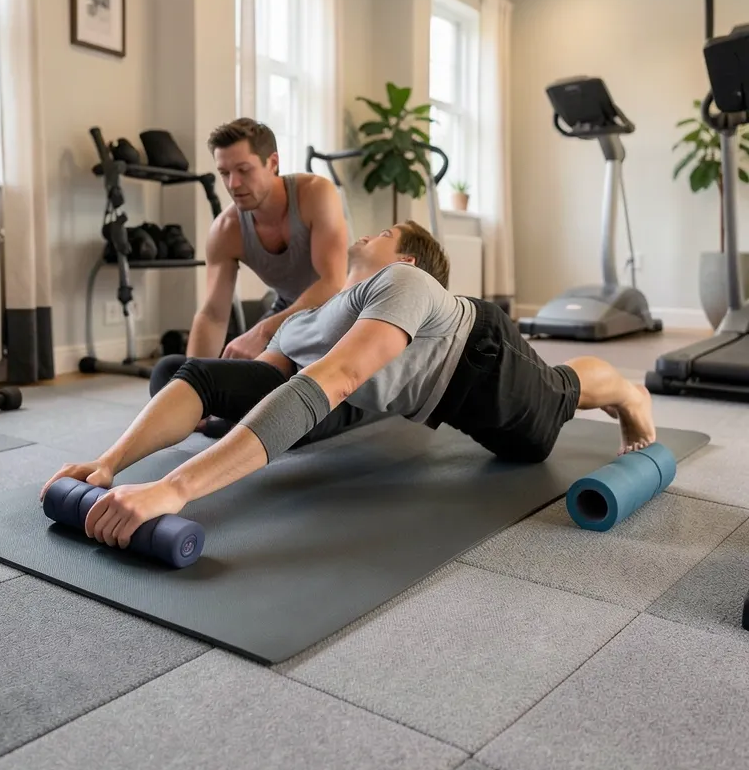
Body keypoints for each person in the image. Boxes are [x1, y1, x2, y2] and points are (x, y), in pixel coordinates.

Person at [42, 221, 657, 551]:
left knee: (554, 405)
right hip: (430, 400)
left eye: (386, 230)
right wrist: (112, 462)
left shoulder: (405, 285)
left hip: (481, 367)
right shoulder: (311, 319)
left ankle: (628, 392)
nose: (369, 232)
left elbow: (332, 380)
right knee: (189, 371)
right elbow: (249, 388)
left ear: (406, 259)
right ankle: (108, 458)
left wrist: (176, 488)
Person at [149, 118, 349, 397]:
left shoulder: (316, 193)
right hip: (287, 313)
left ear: (273, 162)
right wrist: (191, 383)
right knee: (170, 370)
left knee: (279, 375)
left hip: (342, 312)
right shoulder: (226, 229)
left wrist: (264, 332)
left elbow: (332, 284)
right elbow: (213, 315)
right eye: (224, 173)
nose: (234, 183)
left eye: (244, 170)